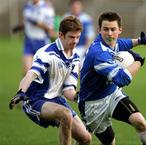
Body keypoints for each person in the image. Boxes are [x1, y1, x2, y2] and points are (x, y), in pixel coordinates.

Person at [78, 11, 146, 145]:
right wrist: (139, 61)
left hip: (112, 94)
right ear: (99, 30)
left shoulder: (112, 42)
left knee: (139, 121)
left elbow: (121, 44)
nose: (109, 33)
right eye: (105, 29)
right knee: (109, 142)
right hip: (93, 105)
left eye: (113, 29)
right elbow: (122, 79)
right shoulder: (98, 53)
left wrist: (140, 41)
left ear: (119, 30)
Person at [9, 16, 91, 145]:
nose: (75, 41)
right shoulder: (47, 53)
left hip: (56, 100)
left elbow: (68, 90)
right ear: (60, 35)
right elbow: (30, 75)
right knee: (65, 114)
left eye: (77, 37)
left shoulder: (75, 58)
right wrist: (21, 92)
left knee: (86, 139)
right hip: (36, 99)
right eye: (71, 37)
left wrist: (78, 97)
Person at [12, 0, 56, 74]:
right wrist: (19, 27)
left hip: (42, 43)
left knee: (43, 73)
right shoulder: (27, 6)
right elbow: (27, 21)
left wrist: (35, 22)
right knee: (27, 72)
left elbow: (50, 28)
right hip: (29, 42)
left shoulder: (47, 7)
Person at [63, 0, 95, 67]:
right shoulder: (65, 18)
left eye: (78, 6)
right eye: (74, 6)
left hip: (81, 48)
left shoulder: (86, 19)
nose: (76, 8)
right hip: (68, 48)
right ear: (71, 7)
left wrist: (86, 51)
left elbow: (90, 37)